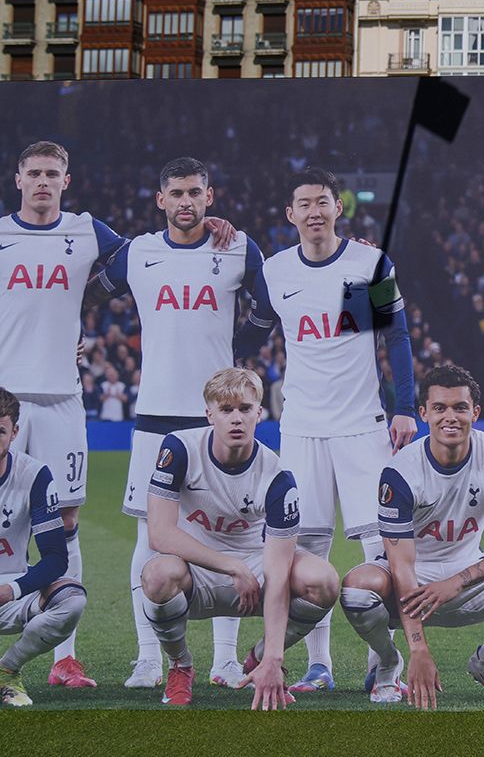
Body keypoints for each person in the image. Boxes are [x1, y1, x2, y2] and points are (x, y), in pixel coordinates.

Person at [93, 156, 274, 689]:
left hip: (214, 413)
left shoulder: (238, 247)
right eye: (176, 193)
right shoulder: (138, 252)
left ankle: (221, 659)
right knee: (149, 538)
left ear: (210, 197)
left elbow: (266, 309)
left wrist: (237, 352)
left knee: (226, 535)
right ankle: (149, 656)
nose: (187, 201)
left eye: (196, 192)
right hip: (155, 416)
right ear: (161, 200)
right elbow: (86, 286)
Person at [259, 167, 418, 692]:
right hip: (302, 428)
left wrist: (404, 406)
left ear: (337, 206)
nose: (314, 212)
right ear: (290, 214)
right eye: (303, 204)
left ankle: (384, 661)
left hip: (361, 426)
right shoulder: (277, 270)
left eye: (322, 202)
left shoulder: (368, 263)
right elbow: (253, 327)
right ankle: (319, 666)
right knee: (307, 553)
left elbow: (395, 335)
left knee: (382, 549)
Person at [0, 140, 136, 689]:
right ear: (17, 179)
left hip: (60, 399)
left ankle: (64, 659)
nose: (42, 181)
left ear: (66, 180)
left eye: (52, 174)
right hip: (3, 398)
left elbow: (138, 258)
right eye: (33, 173)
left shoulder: (84, 230)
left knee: (67, 520)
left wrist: (91, 298)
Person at [341, 363, 484, 708]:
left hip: (470, 580)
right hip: (412, 585)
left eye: (460, 407)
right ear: (423, 413)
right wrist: (418, 648)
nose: (450, 417)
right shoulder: (400, 471)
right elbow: (400, 565)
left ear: (476, 412)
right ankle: (389, 663)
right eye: (439, 408)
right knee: (356, 588)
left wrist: (458, 580)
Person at [136, 368, 336, 708]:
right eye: (226, 410)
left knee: (324, 580)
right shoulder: (180, 448)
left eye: (245, 408)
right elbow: (160, 533)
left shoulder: (277, 478)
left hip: (257, 570)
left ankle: (258, 659)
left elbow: (277, 571)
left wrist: (273, 656)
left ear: (260, 412)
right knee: (156, 575)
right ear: (209, 413)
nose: (236, 419)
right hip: (197, 568)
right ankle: (180, 665)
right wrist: (231, 566)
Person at [0, 387, 87, 707]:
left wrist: (11, 589)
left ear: (15, 433)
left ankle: (7, 671)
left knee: (71, 599)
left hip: (10, 590)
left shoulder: (34, 475)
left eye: (0, 430)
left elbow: (54, 558)